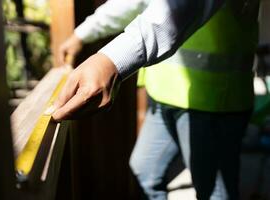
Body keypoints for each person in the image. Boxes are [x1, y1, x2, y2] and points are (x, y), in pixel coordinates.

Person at [48, 0, 260, 199]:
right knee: (145, 172)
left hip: (213, 101)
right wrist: (82, 33)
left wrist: (112, 60)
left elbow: (182, 7)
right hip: (164, 95)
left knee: (213, 191)